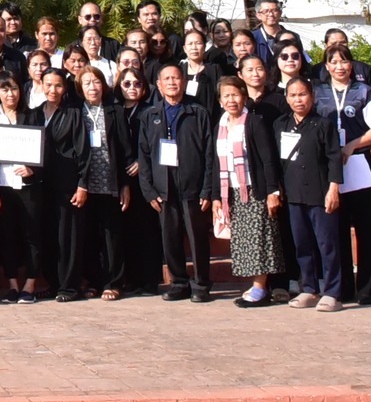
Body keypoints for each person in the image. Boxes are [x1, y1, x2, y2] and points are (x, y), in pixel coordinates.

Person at [137, 64, 217, 302]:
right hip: (164, 188)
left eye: (176, 78)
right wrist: (149, 190)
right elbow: (144, 155)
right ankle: (179, 283)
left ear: (184, 82)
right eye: (167, 79)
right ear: (159, 85)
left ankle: (201, 284)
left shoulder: (198, 112)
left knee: (197, 238)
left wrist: (207, 189)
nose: (172, 82)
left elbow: (209, 154)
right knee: (169, 238)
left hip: (193, 187)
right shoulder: (149, 115)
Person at [313, 44, 371, 305]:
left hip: (358, 163)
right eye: (334, 62)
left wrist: (353, 145)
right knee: (336, 228)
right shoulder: (318, 92)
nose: (339, 67)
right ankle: (341, 288)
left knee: (366, 227)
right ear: (326, 66)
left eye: (344, 61)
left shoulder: (363, 91)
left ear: (351, 65)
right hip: (330, 167)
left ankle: (368, 288)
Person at [212, 76, 284, 309]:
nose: (231, 100)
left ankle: (260, 288)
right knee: (244, 241)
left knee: (259, 239)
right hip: (232, 192)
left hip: (255, 191)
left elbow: (268, 159)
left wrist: (272, 191)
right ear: (220, 100)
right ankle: (256, 286)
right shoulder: (220, 125)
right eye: (226, 96)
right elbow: (215, 163)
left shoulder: (254, 122)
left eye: (235, 94)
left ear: (244, 96)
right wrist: (215, 196)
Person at [277, 77, 347, 311]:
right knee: (302, 244)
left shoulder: (324, 124)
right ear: (287, 98)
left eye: (303, 94)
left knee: (327, 244)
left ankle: (333, 292)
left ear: (312, 97)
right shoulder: (281, 124)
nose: (298, 99)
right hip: (293, 194)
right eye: (293, 95)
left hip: (320, 193)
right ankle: (309, 288)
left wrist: (334, 188)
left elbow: (334, 158)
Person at [73, 68, 128, 300]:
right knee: (89, 234)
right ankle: (93, 280)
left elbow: (125, 149)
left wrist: (124, 184)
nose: (92, 87)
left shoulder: (115, 110)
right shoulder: (76, 111)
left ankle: (113, 282)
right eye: (87, 83)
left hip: (110, 181)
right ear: (80, 87)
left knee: (111, 235)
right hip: (84, 183)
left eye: (96, 82)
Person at [0, 73, 39, 303]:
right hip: (2, 185)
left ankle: (30, 284)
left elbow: (46, 150)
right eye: (5, 89)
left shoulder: (32, 116)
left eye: (14, 88)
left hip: (28, 186)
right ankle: (13, 285)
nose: (10, 94)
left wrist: (33, 169)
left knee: (31, 235)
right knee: (7, 237)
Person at [37, 72, 90, 302]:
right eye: (48, 85)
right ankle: (53, 283)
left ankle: (69, 287)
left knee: (67, 236)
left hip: (68, 185)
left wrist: (83, 184)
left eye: (58, 86)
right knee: (47, 235)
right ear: (41, 85)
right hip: (41, 185)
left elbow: (83, 150)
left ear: (65, 88)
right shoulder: (35, 113)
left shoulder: (73, 114)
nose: (53, 90)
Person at [111, 68, 160, 294]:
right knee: (126, 230)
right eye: (127, 84)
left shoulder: (151, 111)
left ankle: (149, 280)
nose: (132, 88)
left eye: (137, 83)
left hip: (146, 178)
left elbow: (157, 142)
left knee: (147, 229)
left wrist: (142, 160)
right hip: (121, 177)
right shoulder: (115, 111)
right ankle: (131, 278)